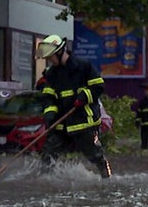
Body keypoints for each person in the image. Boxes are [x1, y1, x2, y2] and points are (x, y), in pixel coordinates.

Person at [34, 34, 112, 177]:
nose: (49, 61)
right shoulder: (51, 74)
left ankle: (107, 178)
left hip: (83, 122)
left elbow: (98, 86)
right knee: (48, 154)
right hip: (61, 123)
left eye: (50, 57)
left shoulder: (83, 66)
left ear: (59, 52)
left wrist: (84, 97)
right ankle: (43, 181)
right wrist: (50, 113)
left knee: (94, 154)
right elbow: (48, 97)